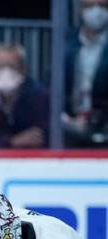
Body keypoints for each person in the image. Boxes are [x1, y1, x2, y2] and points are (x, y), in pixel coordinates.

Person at [64, 0, 108, 146]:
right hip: (71, 125)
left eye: (103, 6)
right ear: (81, 10)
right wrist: (65, 118)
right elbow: (53, 84)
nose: (97, 12)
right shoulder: (67, 43)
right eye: (90, 6)